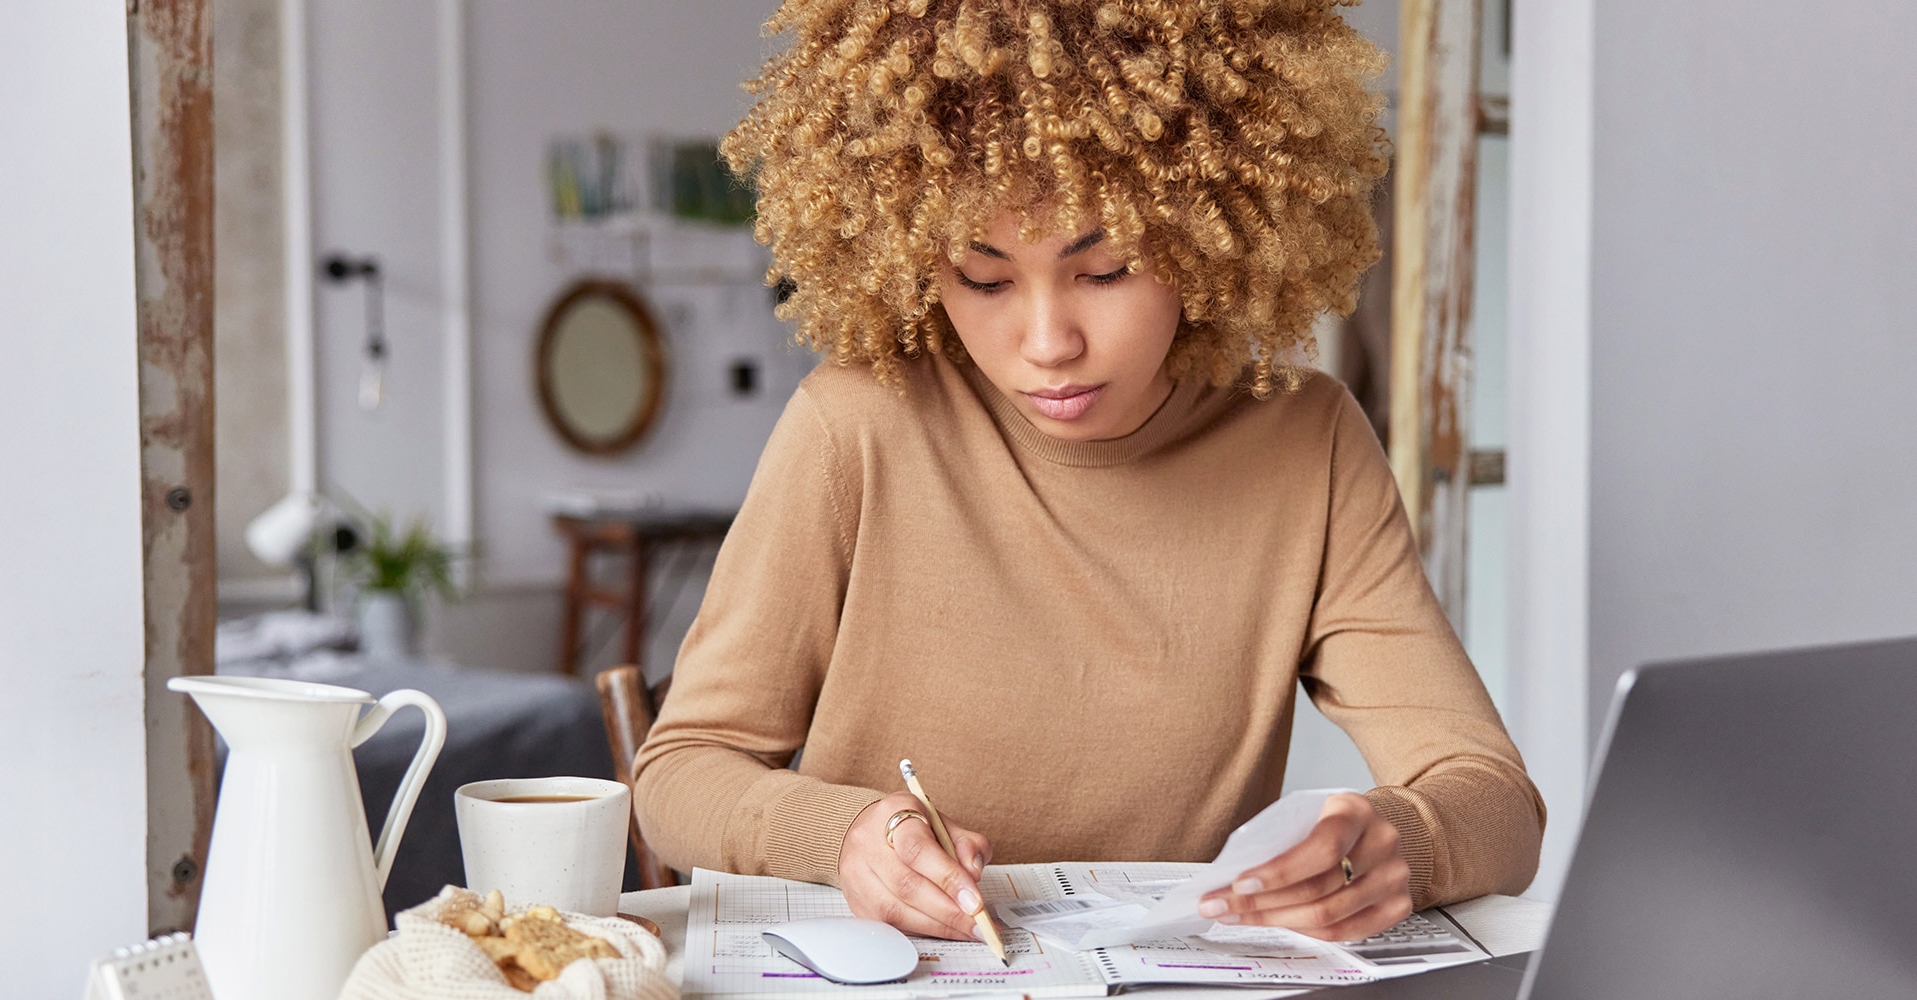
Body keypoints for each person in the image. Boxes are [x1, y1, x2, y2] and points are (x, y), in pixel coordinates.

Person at [630, 0, 1544, 945]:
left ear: (1206, 226)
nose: (1047, 343)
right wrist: (845, 835)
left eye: (1104, 270)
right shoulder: (855, 426)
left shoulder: (1305, 445)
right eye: (983, 279)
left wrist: (1400, 840)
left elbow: (1498, 805)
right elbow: (681, 773)